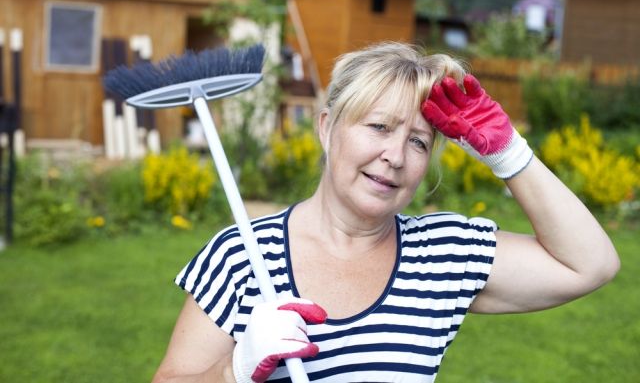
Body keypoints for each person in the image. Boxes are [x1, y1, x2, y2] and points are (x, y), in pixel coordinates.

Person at [152, 42, 620, 383]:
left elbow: (591, 264)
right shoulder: (241, 256)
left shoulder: (443, 254)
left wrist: (508, 154)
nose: (395, 156)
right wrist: (234, 371)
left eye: (417, 141)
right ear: (326, 127)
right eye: (379, 127)